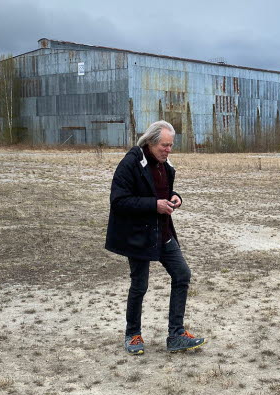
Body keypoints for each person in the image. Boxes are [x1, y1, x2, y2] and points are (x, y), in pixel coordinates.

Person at [105, 120, 206, 355]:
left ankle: (176, 334)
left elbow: (162, 193)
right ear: (150, 142)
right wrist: (154, 205)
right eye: (164, 145)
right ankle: (133, 335)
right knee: (140, 285)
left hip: (163, 233)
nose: (168, 150)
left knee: (182, 274)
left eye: (171, 145)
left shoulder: (165, 165)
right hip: (138, 235)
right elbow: (118, 201)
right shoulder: (131, 162)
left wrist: (174, 197)